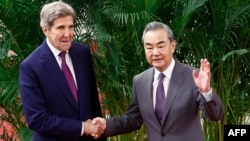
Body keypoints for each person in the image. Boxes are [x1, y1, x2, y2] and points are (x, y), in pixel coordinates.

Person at [92, 21, 224, 141]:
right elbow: (133, 119)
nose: (155, 52)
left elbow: (215, 115)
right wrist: (106, 124)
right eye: (149, 47)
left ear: (172, 46)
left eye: (161, 46)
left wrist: (206, 91)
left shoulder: (193, 76)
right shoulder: (140, 81)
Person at [19, 1, 106, 141]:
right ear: (46, 30)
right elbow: (37, 119)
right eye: (61, 28)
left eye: (71, 27)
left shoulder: (82, 53)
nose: (68, 34)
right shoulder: (30, 67)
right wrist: (82, 127)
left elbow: (93, 103)